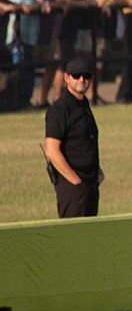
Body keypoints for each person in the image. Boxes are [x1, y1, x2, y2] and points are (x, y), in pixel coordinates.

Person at [44, 55, 102, 217]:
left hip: (90, 184)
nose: (82, 79)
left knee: (89, 237)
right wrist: (75, 181)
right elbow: (51, 150)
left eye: (86, 75)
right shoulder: (60, 109)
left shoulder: (83, 105)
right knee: (72, 239)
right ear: (66, 78)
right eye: (76, 75)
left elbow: (83, 141)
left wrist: (97, 170)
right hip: (73, 186)